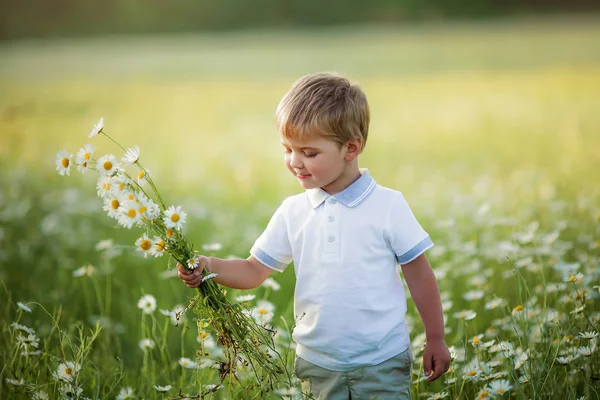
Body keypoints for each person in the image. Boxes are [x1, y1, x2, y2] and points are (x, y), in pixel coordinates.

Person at [177, 72, 450, 399]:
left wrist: (435, 337)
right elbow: (253, 270)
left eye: (309, 153)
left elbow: (419, 273)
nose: (294, 162)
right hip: (317, 364)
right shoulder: (294, 212)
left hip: (382, 360)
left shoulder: (388, 206)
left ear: (351, 148)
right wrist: (208, 266)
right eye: (287, 149)